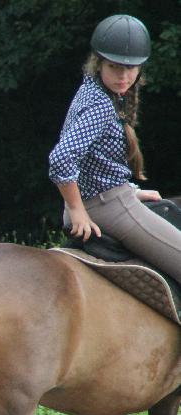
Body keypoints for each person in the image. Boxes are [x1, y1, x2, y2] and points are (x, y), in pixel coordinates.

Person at [49, 14, 181, 281]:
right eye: (114, 67)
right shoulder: (100, 105)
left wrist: (131, 191)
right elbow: (61, 157)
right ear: (98, 63)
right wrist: (77, 210)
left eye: (131, 69)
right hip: (108, 208)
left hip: (109, 198)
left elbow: (94, 162)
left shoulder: (94, 90)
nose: (124, 76)